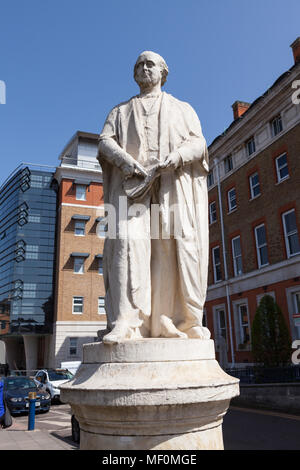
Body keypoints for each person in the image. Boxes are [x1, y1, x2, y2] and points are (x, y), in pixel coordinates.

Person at [97, 51, 210, 344]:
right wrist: (124, 161)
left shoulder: (182, 109)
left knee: (168, 250)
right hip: (132, 190)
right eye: (139, 64)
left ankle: (166, 319)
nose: (144, 68)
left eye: (150, 64)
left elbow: (199, 143)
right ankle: (126, 320)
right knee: (125, 245)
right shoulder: (120, 112)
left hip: (170, 185)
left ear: (163, 72)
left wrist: (176, 158)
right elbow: (104, 142)